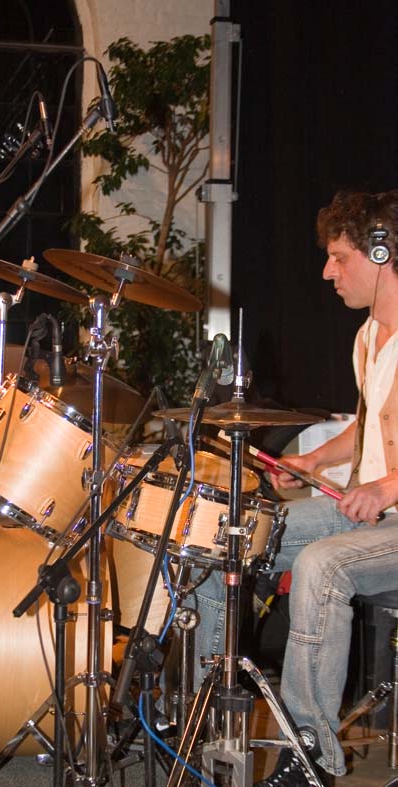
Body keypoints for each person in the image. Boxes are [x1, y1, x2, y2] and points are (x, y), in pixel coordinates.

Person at [189, 189, 398, 787]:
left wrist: (387, 488)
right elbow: (369, 428)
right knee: (221, 539)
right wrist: (310, 462)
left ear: (380, 253)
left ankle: (309, 756)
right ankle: (211, 722)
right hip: (369, 516)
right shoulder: (368, 337)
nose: (328, 272)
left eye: (340, 257)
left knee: (319, 566)